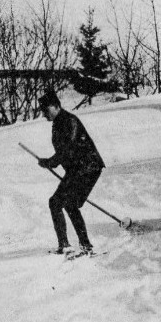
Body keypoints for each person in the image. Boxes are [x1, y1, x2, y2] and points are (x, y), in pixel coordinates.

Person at [35, 91, 105, 255]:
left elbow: (68, 148)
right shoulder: (59, 122)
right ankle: (85, 245)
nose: (44, 114)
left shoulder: (69, 121)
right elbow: (64, 151)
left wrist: (50, 162)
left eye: (46, 109)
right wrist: (50, 161)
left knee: (56, 202)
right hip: (80, 169)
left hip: (87, 168)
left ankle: (66, 245)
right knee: (68, 204)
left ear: (56, 106)